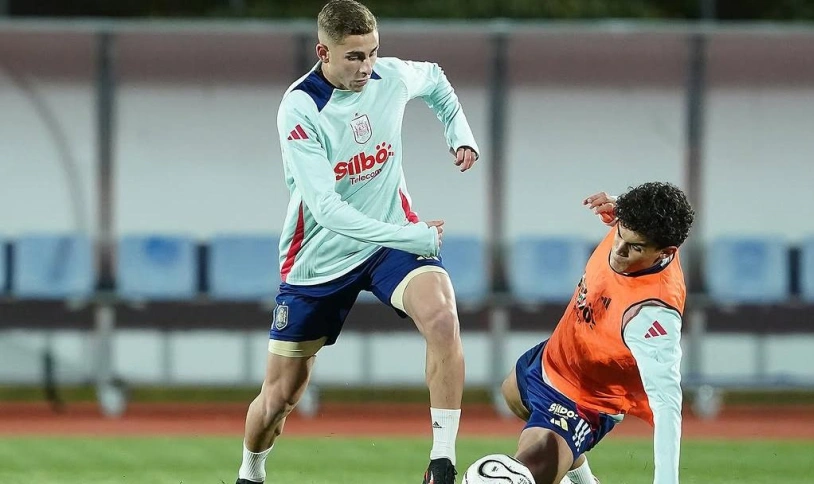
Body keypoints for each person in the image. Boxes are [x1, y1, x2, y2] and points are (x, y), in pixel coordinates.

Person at [234, 1, 479, 483]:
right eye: (353, 57)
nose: (366, 67)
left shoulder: (389, 76)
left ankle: (442, 462)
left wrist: (460, 134)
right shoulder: (301, 108)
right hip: (319, 256)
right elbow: (327, 210)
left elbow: (434, 79)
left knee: (442, 316)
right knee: (281, 395)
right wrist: (411, 233)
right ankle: (251, 471)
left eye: (372, 53)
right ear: (323, 51)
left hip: (390, 243)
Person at [477, 182, 695, 484]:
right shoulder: (640, 226)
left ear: (665, 253)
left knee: (514, 476)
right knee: (512, 394)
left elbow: (668, 402)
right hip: (554, 356)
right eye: (620, 233)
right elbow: (641, 222)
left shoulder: (653, 315)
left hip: (586, 400)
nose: (619, 250)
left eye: (635, 247)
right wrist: (620, 206)